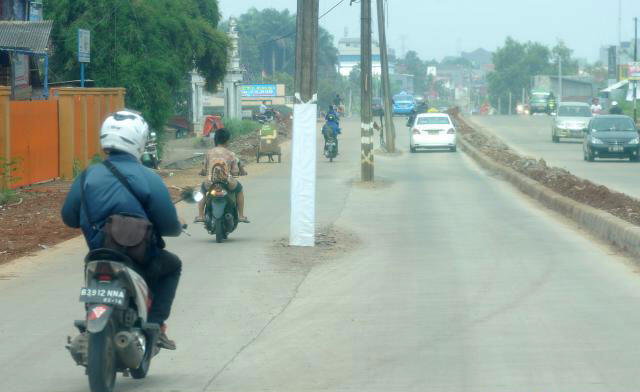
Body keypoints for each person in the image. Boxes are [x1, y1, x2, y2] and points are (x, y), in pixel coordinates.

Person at [61, 110, 183, 350]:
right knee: (173, 265)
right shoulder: (149, 178)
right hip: (138, 258)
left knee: (92, 276)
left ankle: (91, 318)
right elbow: (169, 226)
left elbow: (69, 218)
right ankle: (156, 326)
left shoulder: (86, 175)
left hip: (98, 255)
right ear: (139, 140)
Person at [197, 128, 249, 223]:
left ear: (215, 139)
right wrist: (237, 172)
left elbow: (204, 169)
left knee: (201, 191)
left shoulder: (209, 153)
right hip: (227, 182)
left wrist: (202, 172)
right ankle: (241, 215)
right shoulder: (230, 154)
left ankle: (200, 215)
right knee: (240, 190)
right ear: (227, 140)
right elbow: (235, 171)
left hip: (210, 182)